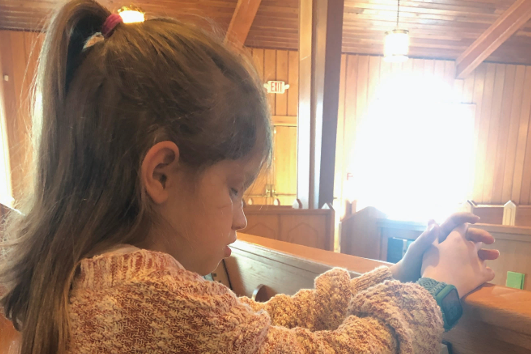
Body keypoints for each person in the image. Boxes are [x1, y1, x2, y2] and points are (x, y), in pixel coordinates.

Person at [0, 0, 500, 353]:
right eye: (233, 187)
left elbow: (263, 326)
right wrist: (437, 289)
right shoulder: (150, 300)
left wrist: (399, 272)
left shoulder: (93, 278)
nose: (241, 215)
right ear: (161, 174)